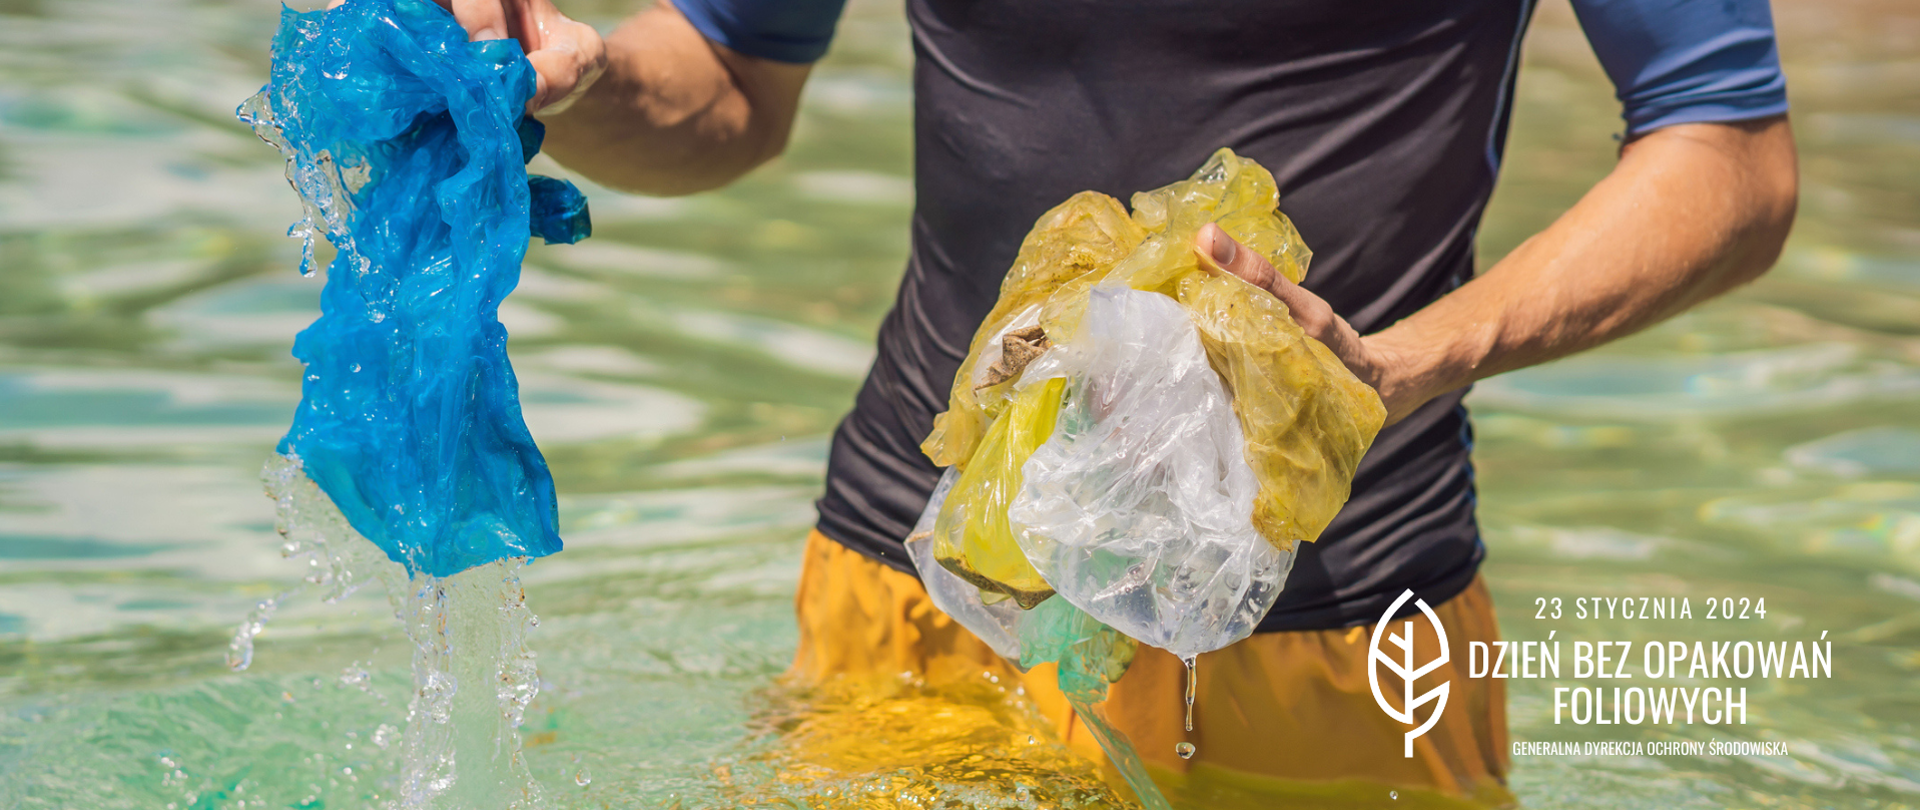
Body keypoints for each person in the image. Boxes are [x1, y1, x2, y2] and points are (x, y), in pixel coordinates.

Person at [410, 0, 1797, 803]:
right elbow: (730, 75)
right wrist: (571, 78)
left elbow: (1731, 153)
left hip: (1337, 622)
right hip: (920, 584)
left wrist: (1394, 363)